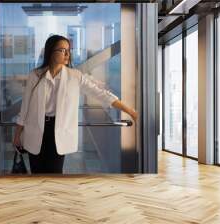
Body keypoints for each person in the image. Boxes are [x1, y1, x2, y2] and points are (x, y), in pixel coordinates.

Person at [13, 35, 137, 174]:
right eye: (62, 50)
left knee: (55, 173)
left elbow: (100, 94)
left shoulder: (75, 76)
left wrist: (129, 110)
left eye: (68, 50)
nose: (67, 54)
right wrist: (17, 135)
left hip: (59, 132)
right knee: (36, 172)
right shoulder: (35, 75)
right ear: (51, 52)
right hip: (35, 131)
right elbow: (24, 110)